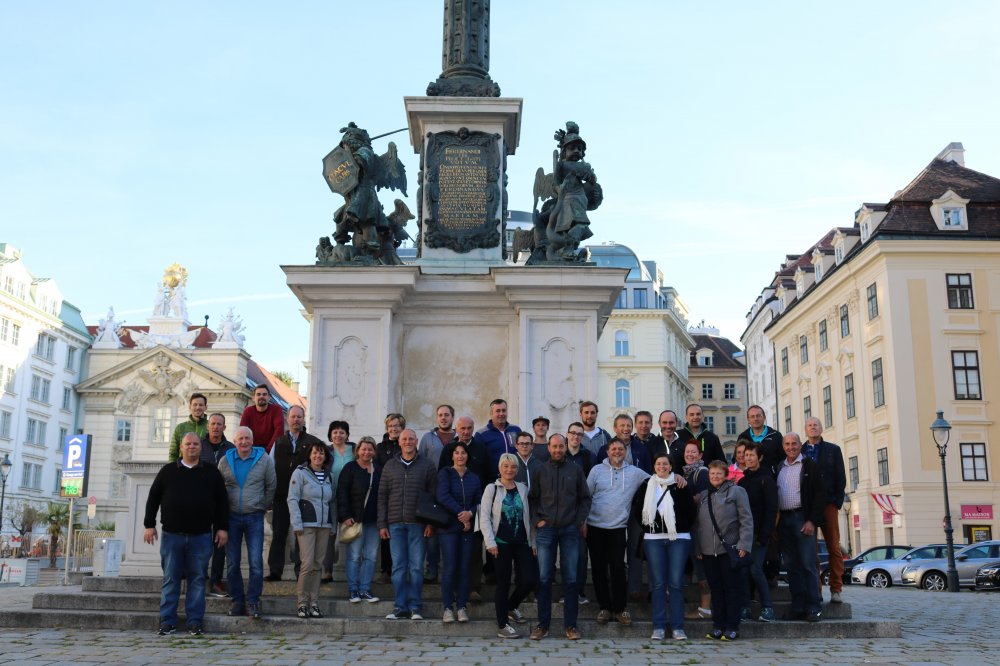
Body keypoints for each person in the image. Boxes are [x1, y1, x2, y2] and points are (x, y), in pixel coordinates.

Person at [144, 433, 228, 636]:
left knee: (197, 580)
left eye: (195, 444)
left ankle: (195, 622)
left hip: (201, 536)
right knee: (170, 579)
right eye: (188, 444)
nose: (192, 447)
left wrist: (222, 528)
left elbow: (222, 503)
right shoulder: (167, 471)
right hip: (172, 536)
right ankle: (167, 621)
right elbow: (153, 498)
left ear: (201, 447)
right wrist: (149, 525)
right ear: (181, 447)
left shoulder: (212, 473)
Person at [527, 433, 592, 641]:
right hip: (546, 529)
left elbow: (585, 499)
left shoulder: (575, 469)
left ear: (565, 447)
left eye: (561, 446)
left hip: (570, 529)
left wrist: (578, 521)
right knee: (544, 578)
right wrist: (537, 520)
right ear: (548, 447)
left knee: (571, 579)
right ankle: (542, 626)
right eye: (554, 446)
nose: (557, 450)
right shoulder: (540, 470)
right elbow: (532, 499)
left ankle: (571, 626)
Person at [632, 452, 696, 641]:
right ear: (654, 466)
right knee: (658, 584)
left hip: (679, 538)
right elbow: (637, 510)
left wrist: (679, 526)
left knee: (676, 583)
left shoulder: (680, 484)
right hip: (653, 538)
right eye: (658, 464)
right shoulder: (646, 485)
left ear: (671, 466)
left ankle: (678, 627)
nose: (662, 467)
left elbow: (690, 511)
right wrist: (650, 527)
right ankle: (658, 626)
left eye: (665, 464)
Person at [586, 438, 649, 626]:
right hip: (595, 527)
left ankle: (620, 609)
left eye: (620, 449)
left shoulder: (634, 473)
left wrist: (676, 477)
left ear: (625, 452)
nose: (617, 452)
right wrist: (583, 521)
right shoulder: (596, 470)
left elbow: (656, 479)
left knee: (618, 568)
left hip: (618, 528)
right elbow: (586, 496)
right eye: (613, 448)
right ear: (607, 452)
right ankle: (604, 608)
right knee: (598, 569)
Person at [378, 428, 437, 620]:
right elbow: (382, 496)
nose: (408, 442)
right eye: (404, 439)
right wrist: (382, 524)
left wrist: (430, 523)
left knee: (417, 567)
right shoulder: (390, 465)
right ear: (399, 442)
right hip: (395, 524)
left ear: (416, 441)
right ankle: (400, 606)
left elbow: (433, 496)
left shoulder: (427, 465)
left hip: (418, 524)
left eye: (411, 439)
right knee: (398, 567)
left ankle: (415, 607)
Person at [217, 426, 276, 619]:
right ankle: (237, 601)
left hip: (254, 516)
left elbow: (271, 485)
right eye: (240, 439)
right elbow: (218, 487)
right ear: (235, 441)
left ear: (252, 440)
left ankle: (253, 601)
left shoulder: (264, 459)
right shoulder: (225, 460)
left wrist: (262, 505)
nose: (244, 442)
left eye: (247, 438)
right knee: (232, 563)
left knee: (256, 563)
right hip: (231, 517)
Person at [694, 460, 753, 641]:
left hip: (729, 549)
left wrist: (744, 544)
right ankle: (718, 626)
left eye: (719, 473)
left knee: (731, 589)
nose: (715, 477)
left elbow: (746, 519)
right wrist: (698, 547)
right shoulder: (704, 495)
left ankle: (732, 626)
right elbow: (698, 524)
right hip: (708, 551)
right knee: (716, 589)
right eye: (712, 474)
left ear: (726, 475)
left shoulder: (737, 491)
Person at [480, 453, 537, 639]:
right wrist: (490, 542)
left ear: (517, 469)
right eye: (505, 466)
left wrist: (533, 541)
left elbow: (529, 516)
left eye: (513, 466)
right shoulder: (492, 488)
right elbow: (484, 517)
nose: (509, 469)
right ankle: (502, 625)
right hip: (500, 543)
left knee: (529, 579)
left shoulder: (523, 488)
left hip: (522, 542)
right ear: (500, 468)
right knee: (503, 583)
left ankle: (511, 606)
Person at [267, 405, 323, 582]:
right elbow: (270, 469)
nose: (296, 420)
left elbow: (319, 466)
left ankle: (302, 571)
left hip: (305, 497)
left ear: (303, 419)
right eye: (293, 417)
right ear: (287, 419)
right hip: (281, 496)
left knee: (302, 535)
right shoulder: (279, 442)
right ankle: (275, 571)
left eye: (299, 417)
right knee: (279, 534)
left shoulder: (313, 442)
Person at [776, 432, 826, 622]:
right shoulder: (780, 467)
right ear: (783, 447)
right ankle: (797, 607)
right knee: (792, 567)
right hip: (784, 520)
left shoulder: (809, 465)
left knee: (808, 565)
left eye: (794, 443)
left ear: (800, 445)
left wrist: (812, 520)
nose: (791, 447)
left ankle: (813, 607)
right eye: (787, 444)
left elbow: (820, 495)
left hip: (802, 519)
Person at [439, 416, 490, 601]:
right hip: (451, 515)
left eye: (469, 428)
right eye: (462, 428)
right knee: (452, 558)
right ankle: (453, 590)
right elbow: (442, 485)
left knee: (474, 553)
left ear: (473, 428)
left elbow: (487, 478)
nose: (466, 431)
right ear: (457, 429)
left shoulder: (481, 448)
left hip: (475, 510)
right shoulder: (448, 449)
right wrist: (461, 513)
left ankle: (473, 588)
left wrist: (473, 511)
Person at [287, 440, 335, 619]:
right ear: (309, 455)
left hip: (324, 526)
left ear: (325, 456)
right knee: (307, 564)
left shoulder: (329, 476)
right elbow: (292, 499)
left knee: (317, 565)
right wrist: (297, 523)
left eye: (321, 453)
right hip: (306, 525)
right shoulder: (300, 473)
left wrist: (333, 524)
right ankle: (302, 603)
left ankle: (314, 603)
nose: (318, 456)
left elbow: (332, 502)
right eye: (315, 452)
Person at [437, 442, 483, 623]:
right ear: (452, 456)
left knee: (465, 568)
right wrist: (462, 514)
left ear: (467, 456)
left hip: (467, 529)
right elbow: (443, 496)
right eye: (456, 453)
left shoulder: (474, 477)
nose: (460, 456)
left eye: (463, 453)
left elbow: (480, 500)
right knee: (450, 568)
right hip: (449, 528)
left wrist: (470, 513)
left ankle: (462, 607)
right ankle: (448, 607)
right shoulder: (445, 474)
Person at [803, 417, 847, 604]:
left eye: (816, 425)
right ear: (806, 430)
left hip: (829, 503)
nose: (813, 428)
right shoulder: (800, 451)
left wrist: (837, 502)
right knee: (811, 550)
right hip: (808, 506)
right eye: (810, 425)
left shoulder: (833, 450)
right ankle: (816, 589)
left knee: (834, 547)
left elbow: (841, 477)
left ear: (821, 429)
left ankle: (836, 589)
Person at [337, 436, 381, 603]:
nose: (366, 452)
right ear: (358, 451)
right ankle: (353, 590)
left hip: (374, 520)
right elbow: (342, 492)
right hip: (355, 520)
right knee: (354, 556)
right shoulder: (350, 468)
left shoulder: (378, 470)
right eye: (364, 449)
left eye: (370, 449)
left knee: (371, 556)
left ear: (374, 452)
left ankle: (365, 589)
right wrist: (345, 515)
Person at [738, 441, 778, 622]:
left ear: (759, 457)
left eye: (751, 455)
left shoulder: (767, 480)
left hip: (760, 533)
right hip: (744, 533)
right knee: (744, 570)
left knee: (755, 569)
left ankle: (767, 608)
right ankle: (745, 607)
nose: (748, 458)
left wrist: (765, 535)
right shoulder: (742, 481)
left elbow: (771, 510)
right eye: (746, 455)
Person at [420, 405, 456, 584]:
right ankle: (432, 569)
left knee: (451, 530)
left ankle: (451, 571)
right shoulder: (427, 438)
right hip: (432, 490)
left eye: (447, 415)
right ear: (437, 417)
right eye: (440, 415)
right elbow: (420, 461)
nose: (443, 418)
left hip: (454, 491)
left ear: (452, 417)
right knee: (431, 532)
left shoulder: (459, 437)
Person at [199, 412, 233, 598]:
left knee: (220, 543)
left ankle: (216, 581)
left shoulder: (231, 449)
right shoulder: (198, 445)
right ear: (208, 426)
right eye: (213, 424)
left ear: (224, 427)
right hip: (201, 501)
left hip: (222, 502)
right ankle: (199, 578)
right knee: (201, 541)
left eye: (219, 424)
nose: (216, 427)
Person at [564, 421, 594, 605]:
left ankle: (579, 591)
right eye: (573, 433)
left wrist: (585, 518)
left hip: (581, 513)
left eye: (579, 434)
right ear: (567, 434)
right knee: (565, 555)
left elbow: (590, 488)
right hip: (561, 512)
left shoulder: (588, 457)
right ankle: (566, 592)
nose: (576, 436)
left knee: (581, 554)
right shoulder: (559, 454)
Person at [321, 420, 355, 582]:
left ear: (347, 435)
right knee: (330, 533)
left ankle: (352, 571)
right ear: (330, 434)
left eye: (342, 432)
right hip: (331, 498)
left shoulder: (354, 450)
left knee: (352, 533)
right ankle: (327, 571)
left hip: (351, 498)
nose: (338, 435)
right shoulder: (326, 451)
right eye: (335, 432)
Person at [682, 440, 712, 618]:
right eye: (687, 452)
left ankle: (706, 608)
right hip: (692, 526)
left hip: (700, 528)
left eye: (694, 452)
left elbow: (702, 499)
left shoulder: (702, 472)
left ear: (700, 455)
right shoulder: (687, 473)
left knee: (702, 568)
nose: (690, 455)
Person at [376, 413, 404, 582]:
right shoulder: (380, 447)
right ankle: (386, 569)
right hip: (386, 493)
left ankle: (402, 569)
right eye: (391, 426)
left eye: (397, 426)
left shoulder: (407, 444)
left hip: (404, 494)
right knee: (386, 533)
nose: (394, 429)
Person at [474, 399, 522, 482]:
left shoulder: (515, 430)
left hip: (515, 479)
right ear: (491, 413)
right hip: (493, 481)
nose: (501, 414)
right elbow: (479, 461)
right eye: (498, 411)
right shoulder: (481, 434)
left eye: (504, 410)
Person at [738, 405, 784, 476]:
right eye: (752, 416)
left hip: (771, 478)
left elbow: (783, 458)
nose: (756, 419)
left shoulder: (775, 436)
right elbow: (737, 458)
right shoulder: (743, 437)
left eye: (758, 416)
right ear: (748, 420)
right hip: (748, 478)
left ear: (764, 417)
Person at [239, 385, 285, 454]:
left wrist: (266, 451)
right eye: (258, 394)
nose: (261, 396)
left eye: (264, 394)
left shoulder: (276, 410)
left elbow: (279, 432)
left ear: (269, 397)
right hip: (251, 452)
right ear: (253, 398)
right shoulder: (248, 411)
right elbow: (243, 432)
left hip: (271, 452)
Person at [168, 393, 208, 463]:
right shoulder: (180, 428)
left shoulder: (212, 427)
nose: (198, 407)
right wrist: (172, 468)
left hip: (205, 467)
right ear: (190, 407)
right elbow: (173, 453)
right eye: (195, 405)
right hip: (183, 467)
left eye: (201, 405)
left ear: (205, 407)